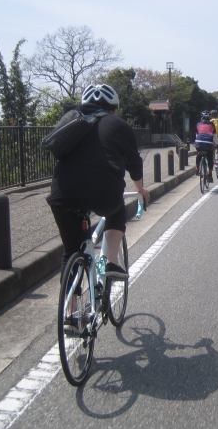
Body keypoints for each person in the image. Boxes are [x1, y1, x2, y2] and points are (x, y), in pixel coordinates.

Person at [47, 83, 151, 282]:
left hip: (62, 194)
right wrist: (139, 188)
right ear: (114, 109)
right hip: (104, 193)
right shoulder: (119, 125)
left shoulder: (72, 122)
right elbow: (134, 163)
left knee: (71, 250)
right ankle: (112, 261)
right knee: (116, 210)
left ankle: (70, 301)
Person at [194, 110, 218, 182]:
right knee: (210, 158)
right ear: (209, 117)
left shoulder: (198, 124)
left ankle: (197, 168)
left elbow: (197, 135)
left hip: (199, 142)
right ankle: (210, 175)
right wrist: (217, 144)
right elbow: (215, 137)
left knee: (199, 154)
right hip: (208, 143)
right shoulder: (212, 125)